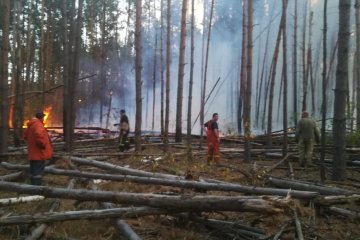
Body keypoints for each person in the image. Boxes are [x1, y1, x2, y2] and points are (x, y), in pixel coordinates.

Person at [23, 111, 53, 185]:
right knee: (38, 170)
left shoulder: (31, 125)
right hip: (39, 152)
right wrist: (42, 145)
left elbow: (25, 136)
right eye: (43, 117)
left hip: (33, 152)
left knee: (33, 169)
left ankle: (33, 185)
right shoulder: (38, 125)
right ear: (42, 117)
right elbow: (38, 135)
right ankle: (37, 187)